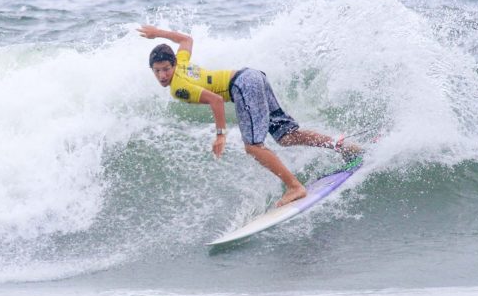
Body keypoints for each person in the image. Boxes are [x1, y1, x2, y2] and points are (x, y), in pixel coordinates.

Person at [137, 25, 362, 207]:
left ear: (173, 65)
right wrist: (158, 33)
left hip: (243, 85)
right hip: (253, 76)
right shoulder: (182, 63)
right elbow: (186, 40)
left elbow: (215, 101)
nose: (162, 75)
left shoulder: (179, 88)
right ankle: (343, 146)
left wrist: (220, 135)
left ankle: (295, 187)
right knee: (286, 135)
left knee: (253, 146)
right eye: (157, 71)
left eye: (166, 69)